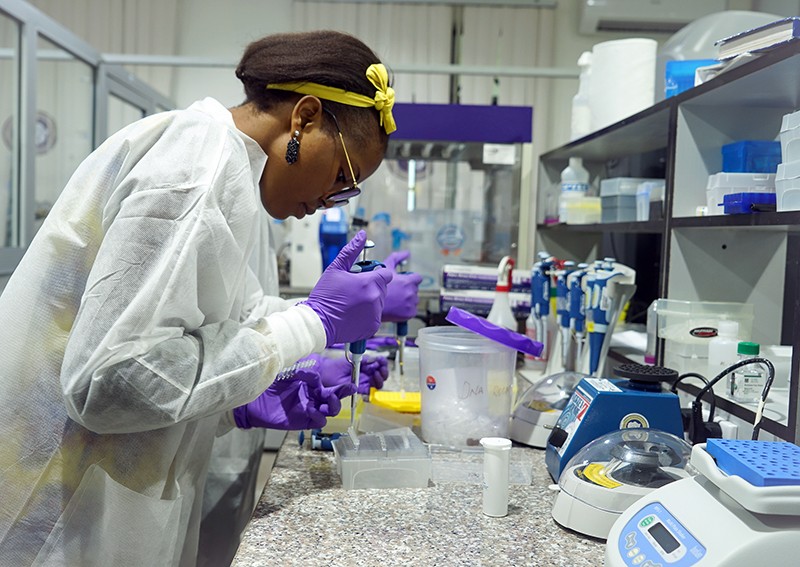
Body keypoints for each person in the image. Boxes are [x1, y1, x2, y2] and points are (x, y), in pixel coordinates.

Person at [0, 29, 414, 567]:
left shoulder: (231, 170)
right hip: (59, 520)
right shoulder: (196, 170)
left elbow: (210, 329)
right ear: (305, 118)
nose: (331, 201)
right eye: (343, 176)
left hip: (98, 494)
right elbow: (110, 380)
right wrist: (312, 324)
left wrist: (245, 400)